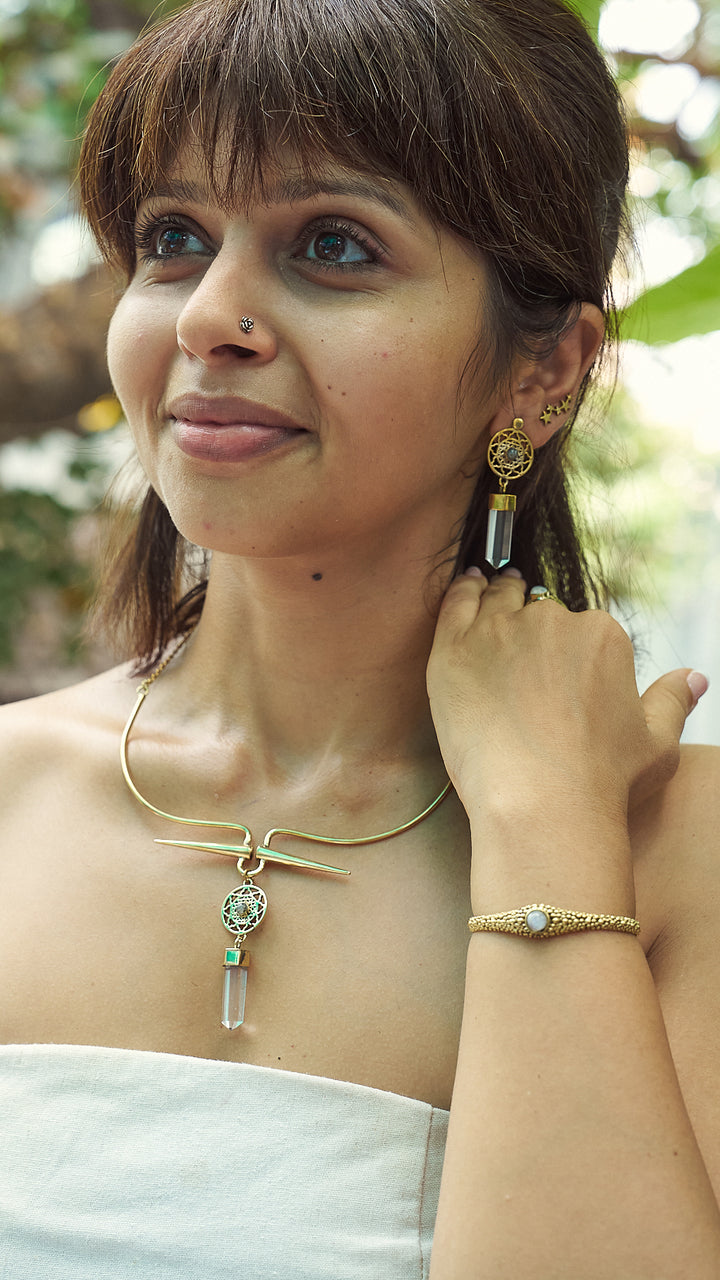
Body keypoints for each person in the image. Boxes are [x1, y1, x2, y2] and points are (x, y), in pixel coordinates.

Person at [1, 0, 719, 1274]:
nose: (208, 315)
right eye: (173, 239)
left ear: (543, 370)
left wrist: (545, 818)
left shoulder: (681, 850)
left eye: (332, 244)